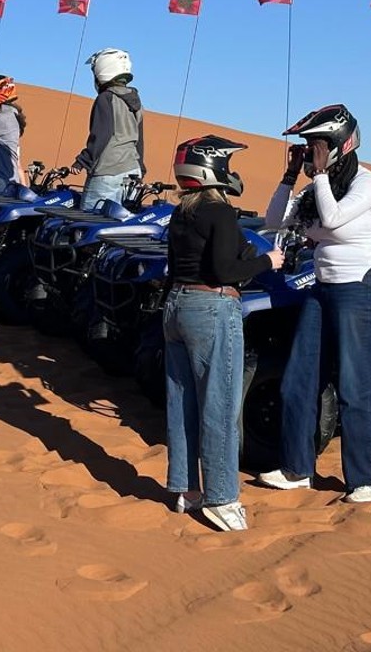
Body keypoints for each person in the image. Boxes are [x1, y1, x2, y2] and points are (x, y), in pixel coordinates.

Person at [257, 105, 371, 504]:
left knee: (356, 384)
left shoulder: (368, 184)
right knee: (299, 379)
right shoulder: (318, 186)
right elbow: (274, 220)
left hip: (360, 289)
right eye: (307, 146)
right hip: (322, 287)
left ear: (341, 144)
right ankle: (297, 469)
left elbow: (332, 221)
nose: (311, 151)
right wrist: (289, 176)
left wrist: (317, 177)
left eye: (316, 144)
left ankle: (368, 480)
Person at [164, 136, 283, 532]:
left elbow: (191, 262)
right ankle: (221, 498)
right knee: (219, 405)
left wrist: (247, 254)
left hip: (177, 307)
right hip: (210, 309)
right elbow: (224, 272)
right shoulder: (220, 212)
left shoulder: (182, 212)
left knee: (182, 404)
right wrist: (269, 261)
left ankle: (187, 489)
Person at [72, 48, 145, 210]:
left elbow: (101, 135)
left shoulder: (106, 99)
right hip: (132, 171)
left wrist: (82, 161)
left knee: (89, 223)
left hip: (108, 171)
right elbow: (139, 140)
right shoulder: (137, 102)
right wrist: (141, 168)